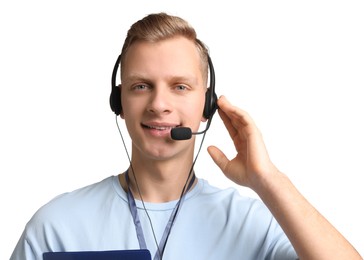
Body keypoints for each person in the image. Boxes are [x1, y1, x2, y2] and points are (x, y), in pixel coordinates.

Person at [11, 12, 362, 260]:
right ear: (119, 101)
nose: (159, 104)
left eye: (180, 86)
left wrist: (268, 179)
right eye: (141, 86)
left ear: (208, 104)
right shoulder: (56, 226)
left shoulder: (252, 224)